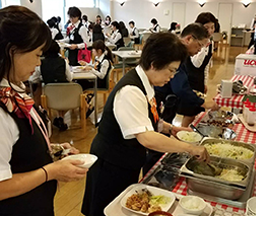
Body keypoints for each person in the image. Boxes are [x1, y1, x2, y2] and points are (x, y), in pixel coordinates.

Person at [0, 6, 87, 216]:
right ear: (12, 51)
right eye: (36, 54)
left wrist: (51, 151)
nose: (37, 63)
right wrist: (50, 171)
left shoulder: (10, 89)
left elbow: (14, 148)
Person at [81, 33, 210, 216]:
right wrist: (189, 148)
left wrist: (172, 129)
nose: (172, 77)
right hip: (110, 164)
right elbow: (147, 138)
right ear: (154, 64)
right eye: (171, 70)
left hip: (127, 161)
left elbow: (149, 120)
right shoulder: (130, 91)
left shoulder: (146, 83)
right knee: (106, 213)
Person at [149, 23, 219, 174]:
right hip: (162, 102)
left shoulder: (180, 55)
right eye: (199, 45)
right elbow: (179, 87)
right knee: (155, 146)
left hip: (163, 106)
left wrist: (172, 128)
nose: (199, 50)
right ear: (188, 39)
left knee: (160, 131)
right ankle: (154, 173)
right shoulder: (174, 54)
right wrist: (202, 102)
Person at [181, 14, 219, 127]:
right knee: (189, 111)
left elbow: (206, 65)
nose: (210, 30)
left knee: (195, 112)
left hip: (199, 78)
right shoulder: (194, 46)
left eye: (212, 27)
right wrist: (203, 47)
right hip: (189, 78)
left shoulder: (209, 43)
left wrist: (205, 82)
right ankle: (182, 132)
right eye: (207, 27)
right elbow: (196, 63)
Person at [29, 40, 73, 131]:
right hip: (66, 96)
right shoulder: (63, 62)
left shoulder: (41, 64)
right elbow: (69, 78)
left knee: (40, 90)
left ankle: (52, 117)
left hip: (49, 97)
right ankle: (60, 117)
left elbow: (33, 79)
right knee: (65, 95)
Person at [78, 40, 114, 118]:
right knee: (80, 81)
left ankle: (87, 104)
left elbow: (101, 75)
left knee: (80, 84)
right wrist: (87, 65)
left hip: (100, 83)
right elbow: (95, 67)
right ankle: (87, 103)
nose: (92, 51)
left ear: (99, 51)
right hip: (96, 80)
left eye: (94, 49)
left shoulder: (105, 61)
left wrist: (91, 69)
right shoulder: (99, 58)